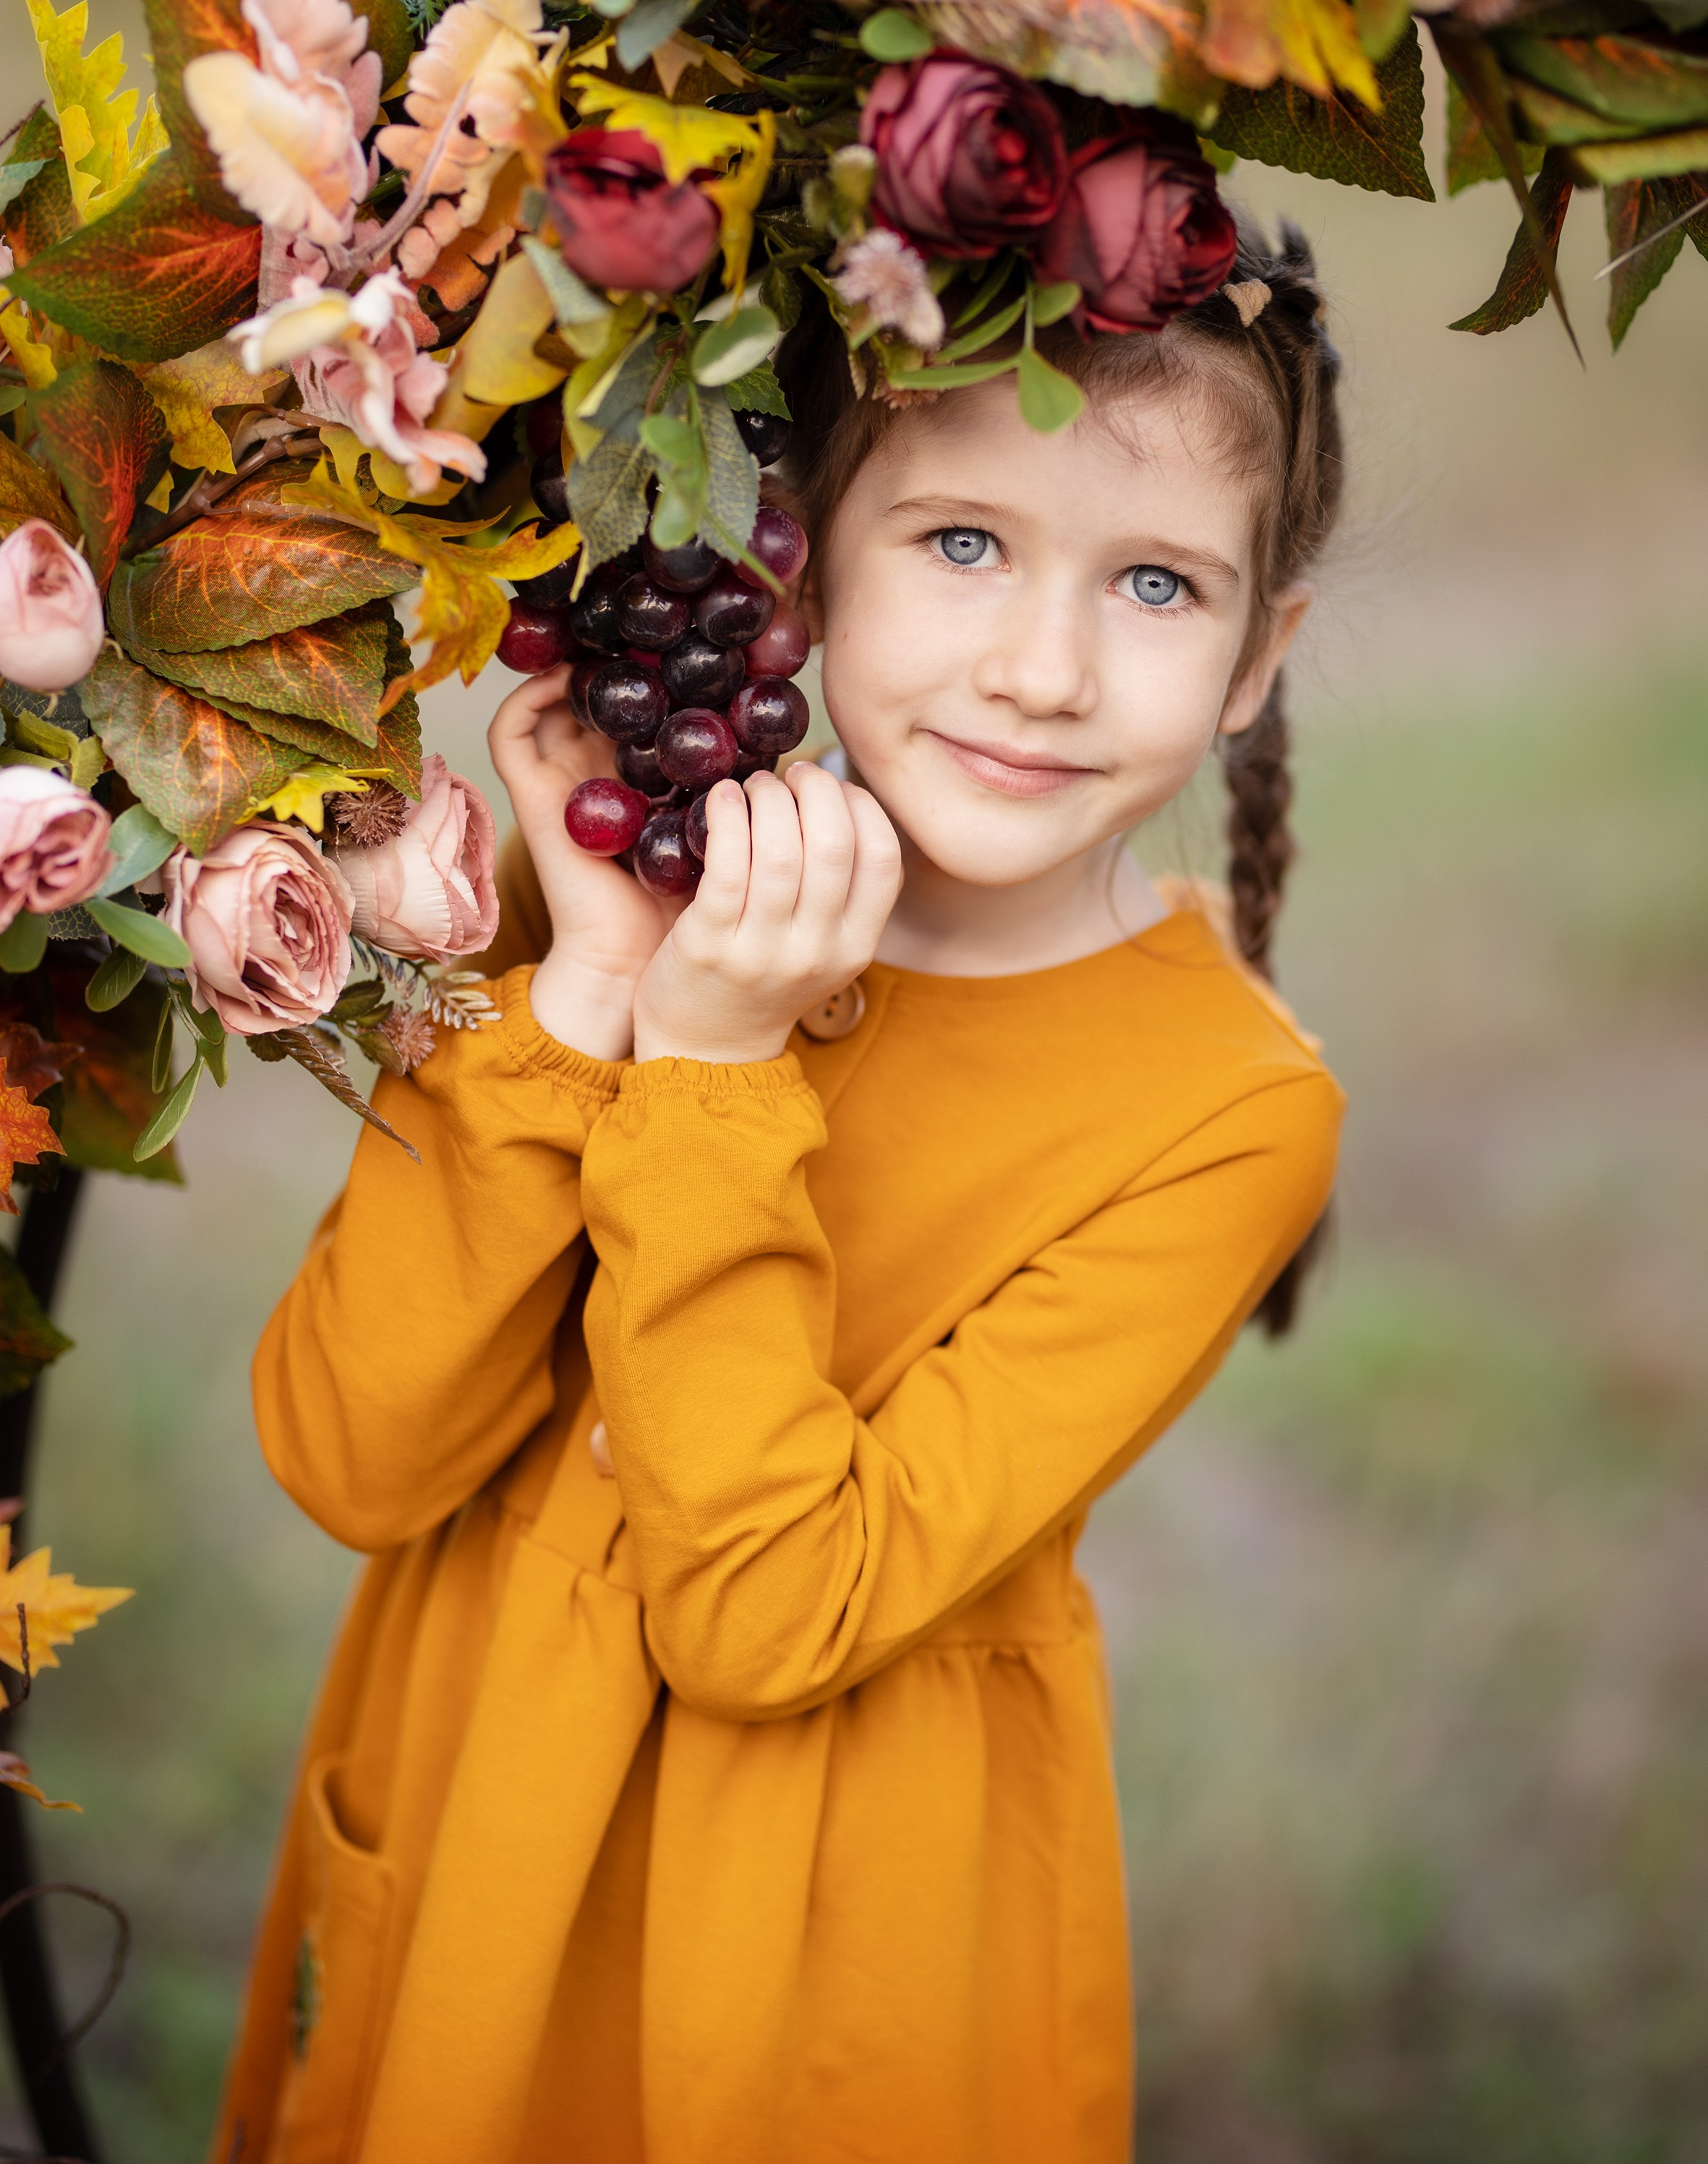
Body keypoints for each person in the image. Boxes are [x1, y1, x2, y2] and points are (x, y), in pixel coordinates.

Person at [212, 219, 1346, 2164]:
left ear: (1256, 656)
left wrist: (717, 1075)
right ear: (799, 555)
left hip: (822, 1942)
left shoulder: (1225, 1108)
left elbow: (766, 1618)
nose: (1043, 668)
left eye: (1154, 583)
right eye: (964, 542)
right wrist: (582, 998)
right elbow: (349, 1451)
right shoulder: (621, 880)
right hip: (476, 1796)